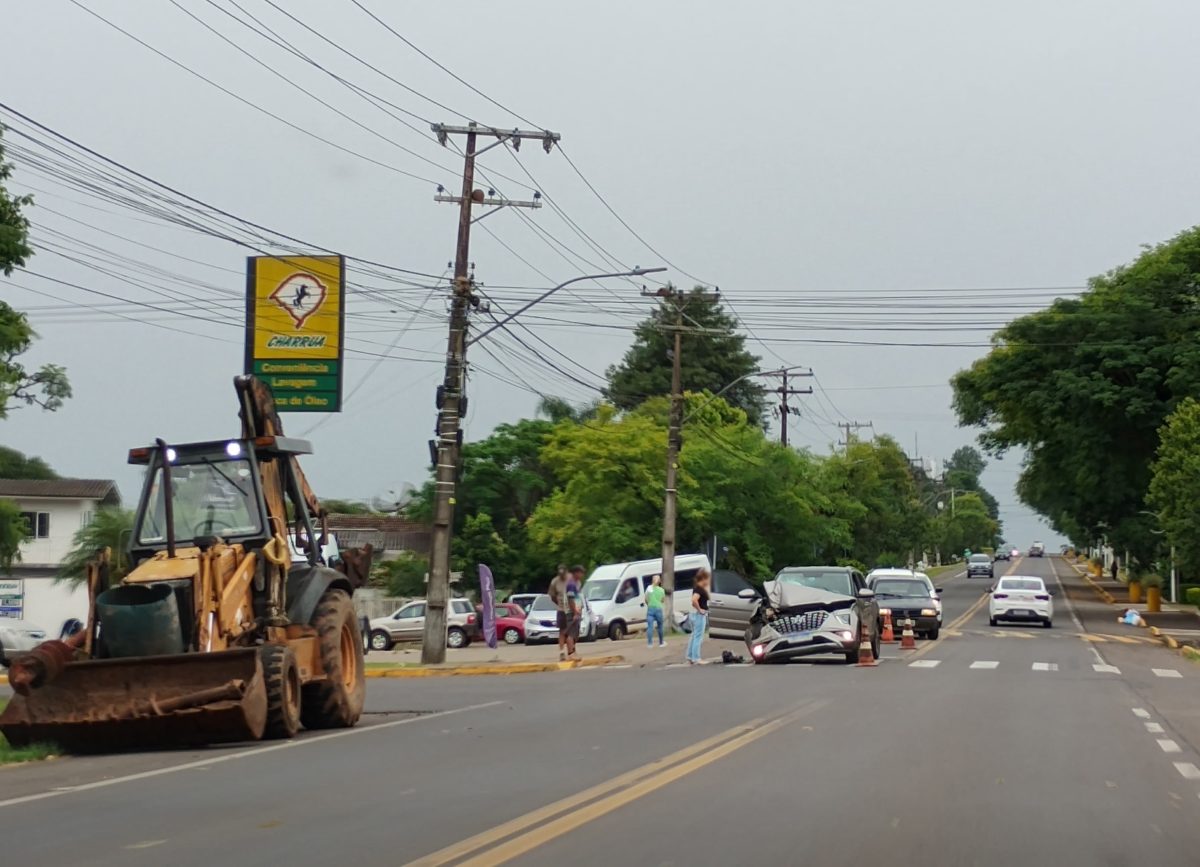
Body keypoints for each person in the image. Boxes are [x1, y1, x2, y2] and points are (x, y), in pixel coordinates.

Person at [686, 568, 712, 665]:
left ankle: (689, 656)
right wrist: (700, 609)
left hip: (695, 614)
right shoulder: (699, 589)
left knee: (694, 635)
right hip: (699, 615)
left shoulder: (697, 588)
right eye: (708, 579)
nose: (709, 581)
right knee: (698, 636)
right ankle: (696, 658)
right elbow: (694, 600)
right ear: (704, 578)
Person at [548, 565, 571, 661]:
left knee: (572, 632)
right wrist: (558, 603)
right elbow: (552, 595)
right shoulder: (555, 581)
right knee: (562, 631)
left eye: (563, 574)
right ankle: (562, 652)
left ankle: (571, 651)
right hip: (561, 609)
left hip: (571, 608)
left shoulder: (571, 579)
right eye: (560, 574)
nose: (562, 576)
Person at [563, 565, 585, 659]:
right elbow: (570, 599)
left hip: (577, 610)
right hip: (572, 611)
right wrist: (575, 612)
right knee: (572, 633)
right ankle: (571, 653)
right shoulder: (571, 584)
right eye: (581, 573)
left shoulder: (577, 583)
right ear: (576, 573)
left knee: (575, 633)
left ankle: (573, 651)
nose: (582, 575)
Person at [645, 574, 666, 648]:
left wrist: (649, 604)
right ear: (659, 581)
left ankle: (650, 643)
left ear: (652, 580)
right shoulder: (662, 590)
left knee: (650, 627)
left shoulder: (649, 588)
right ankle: (661, 643)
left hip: (650, 608)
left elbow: (646, 599)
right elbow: (663, 600)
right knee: (660, 626)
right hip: (658, 608)